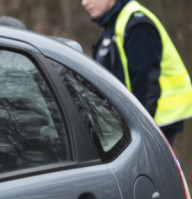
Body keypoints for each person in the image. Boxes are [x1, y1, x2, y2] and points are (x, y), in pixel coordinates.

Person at [82, 0, 192, 145]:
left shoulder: (137, 24)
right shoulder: (114, 24)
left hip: (154, 124)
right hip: (136, 124)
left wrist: (141, 131)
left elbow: (146, 85)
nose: (84, 2)